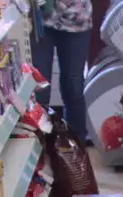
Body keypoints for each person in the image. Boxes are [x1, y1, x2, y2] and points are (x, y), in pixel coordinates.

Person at [31, 0, 91, 142]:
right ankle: (39, 146)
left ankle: (76, 147)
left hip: (76, 20)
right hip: (40, 21)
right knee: (40, 87)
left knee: (73, 86)